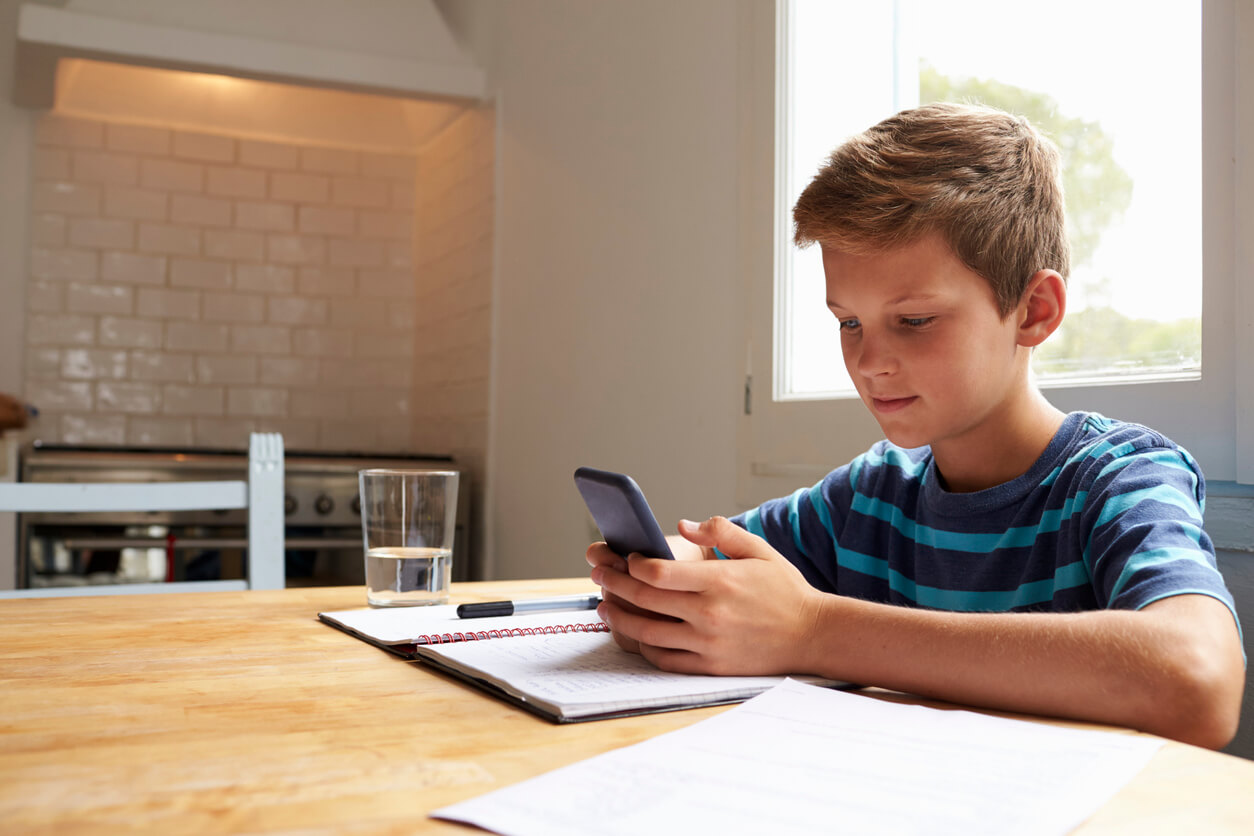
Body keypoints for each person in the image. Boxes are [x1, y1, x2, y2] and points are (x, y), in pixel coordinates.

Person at [586, 102, 1244, 750]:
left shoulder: (1120, 478)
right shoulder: (871, 497)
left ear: (1034, 311)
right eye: (849, 322)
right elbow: (720, 559)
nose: (869, 363)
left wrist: (816, 631)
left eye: (915, 320)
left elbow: (1197, 681)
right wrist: (660, 586)